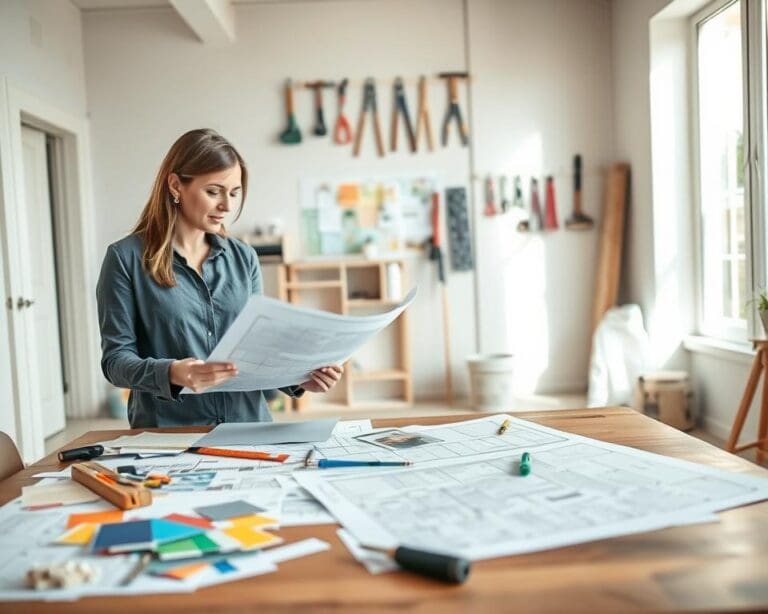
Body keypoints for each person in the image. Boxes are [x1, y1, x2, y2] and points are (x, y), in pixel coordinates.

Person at [96, 128, 342, 427]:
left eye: (234, 193)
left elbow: (258, 348)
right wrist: (173, 373)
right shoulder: (125, 259)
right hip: (171, 433)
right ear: (175, 185)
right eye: (213, 192)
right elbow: (115, 362)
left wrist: (300, 378)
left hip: (248, 427)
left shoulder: (244, 257)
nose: (227, 206)